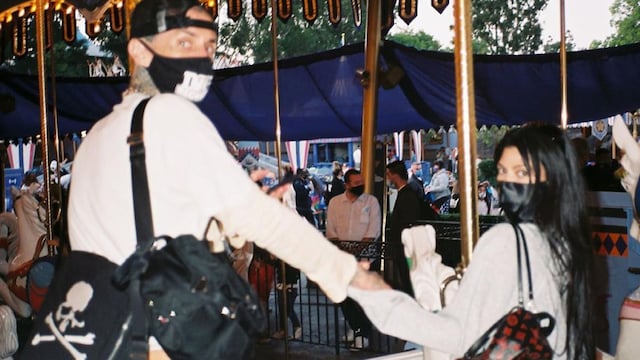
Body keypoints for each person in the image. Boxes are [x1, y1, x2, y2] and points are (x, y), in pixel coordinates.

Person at [24, 1, 381, 358]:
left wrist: (225, 228)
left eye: (209, 47)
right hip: (157, 339)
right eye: (185, 42)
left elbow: (145, 228)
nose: (201, 57)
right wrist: (349, 275)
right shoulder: (170, 112)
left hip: (103, 333)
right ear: (138, 50)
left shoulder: (97, 136)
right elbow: (265, 221)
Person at [349, 123, 596, 360]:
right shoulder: (567, 241)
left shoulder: (506, 240)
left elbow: (456, 334)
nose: (509, 183)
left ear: (552, 177)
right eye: (503, 171)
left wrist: (377, 297)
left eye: (521, 172)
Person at [326, 169, 381, 349]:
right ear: (347, 184)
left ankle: (362, 333)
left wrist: (356, 251)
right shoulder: (335, 203)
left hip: (365, 259)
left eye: (361, 182)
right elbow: (331, 231)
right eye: (356, 183)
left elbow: (373, 231)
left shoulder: (371, 202)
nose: (360, 186)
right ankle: (357, 328)